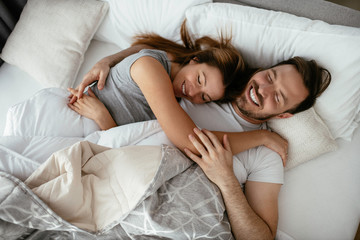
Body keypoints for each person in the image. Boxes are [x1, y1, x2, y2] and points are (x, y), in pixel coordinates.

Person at [70, 34, 331, 240]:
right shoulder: (203, 86)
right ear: (263, 69)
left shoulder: (266, 156)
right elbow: (153, 50)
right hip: (120, 191)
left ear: (284, 116)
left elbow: (261, 237)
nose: (263, 90)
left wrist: (227, 181)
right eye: (270, 77)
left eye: (278, 97)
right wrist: (107, 60)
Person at [68, 21, 289, 162]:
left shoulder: (167, 65)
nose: (192, 93)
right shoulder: (153, 69)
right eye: (200, 79)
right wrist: (262, 136)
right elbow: (193, 143)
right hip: (73, 116)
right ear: (195, 60)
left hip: (90, 131)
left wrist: (110, 59)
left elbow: (142, 50)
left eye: (204, 97)